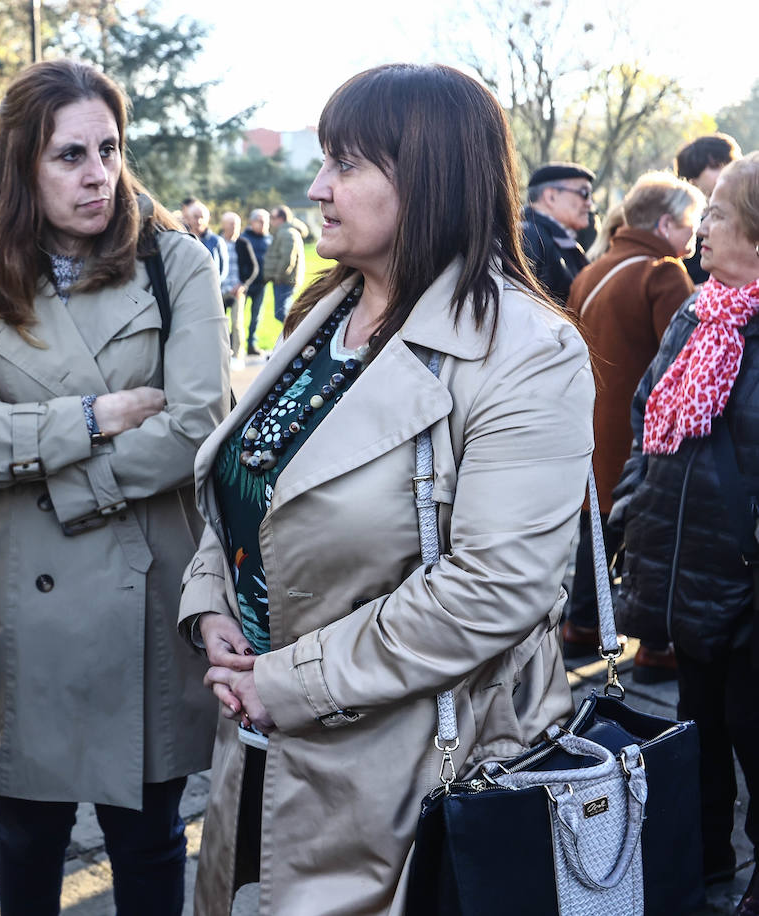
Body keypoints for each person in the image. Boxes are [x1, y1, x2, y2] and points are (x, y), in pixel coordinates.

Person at [180, 63, 592, 915]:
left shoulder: (525, 352)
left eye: (347, 164)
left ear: (432, 177)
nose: (317, 186)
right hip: (257, 744)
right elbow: (249, 488)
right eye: (325, 160)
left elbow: (498, 586)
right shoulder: (321, 314)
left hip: (405, 771)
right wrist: (210, 605)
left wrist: (286, 683)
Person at [0, 59, 229, 914]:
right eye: (69, 156)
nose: (99, 175)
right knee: (24, 836)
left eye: (110, 150)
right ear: (22, 164)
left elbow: (198, 427)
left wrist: (44, 468)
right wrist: (93, 416)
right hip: (23, 600)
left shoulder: (176, 262)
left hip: (143, 592)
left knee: (150, 840)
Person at [611, 152, 759, 916]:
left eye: (722, 218)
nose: (704, 231)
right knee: (695, 729)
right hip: (685, 573)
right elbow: (648, 419)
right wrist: (631, 505)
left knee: (750, 734)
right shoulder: (700, 313)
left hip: (746, 587)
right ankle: (700, 868)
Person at [560, 170, 705, 681]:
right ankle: (656, 648)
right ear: (665, 223)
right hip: (640, 434)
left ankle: (580, 625)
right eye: (690, 224)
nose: (696, 235)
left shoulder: (594, 268)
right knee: (649, 536)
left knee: (595, 528)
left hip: (592, 427)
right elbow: (685, 362)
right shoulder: (663, 274)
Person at [520, 161, 595, 304]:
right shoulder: (529, 236)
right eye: (584, 193)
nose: (590, 203)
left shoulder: (554, 239)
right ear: (551, 197)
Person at [676, 133, 743, 285]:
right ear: (691, 179)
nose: (726, 170)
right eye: (716, 166)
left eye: (730, 163)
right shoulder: (680, 225)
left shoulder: (748, 216)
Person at [220, 210, 259, 365]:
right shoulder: (218, 242)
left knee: (237, 323)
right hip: (219, 290)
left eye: (237, 224)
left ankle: (237, 356)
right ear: (224, 225)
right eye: (231, 224)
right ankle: (221, 353)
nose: (235, 227)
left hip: (237, 290)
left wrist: (243, 284)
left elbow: (254, 268)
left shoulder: (243, 243)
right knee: (219, 324)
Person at [263, 204, 307, 324]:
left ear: (281, 218)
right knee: (284, 313)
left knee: (282, 313)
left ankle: (300, 335)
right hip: (285, 280)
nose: (270, 220)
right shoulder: (285, 232)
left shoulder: (287, 233)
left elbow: (287, 259)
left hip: (284, 280)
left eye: (273, 217)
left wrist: (278, 277)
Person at [241, 208, 271, 354]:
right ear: (252, 222)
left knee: (256, 317)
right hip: (244, 284)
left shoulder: (269, 239)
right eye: (260, 221)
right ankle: (235, 344)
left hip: (261, 284)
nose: (264, 224)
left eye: (266, 221)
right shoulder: (243, 238)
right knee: (238, 317)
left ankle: (252, 344)